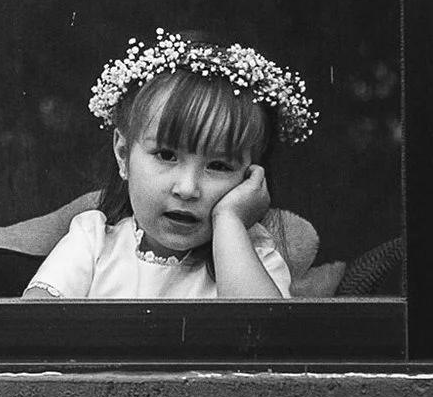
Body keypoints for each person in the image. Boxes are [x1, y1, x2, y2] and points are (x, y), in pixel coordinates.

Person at [24, 28, 315, 300]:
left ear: (250, 177)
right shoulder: (94, 243)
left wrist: (229, 221)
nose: (188, 189)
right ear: (123, 155)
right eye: (166, 155)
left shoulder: (252, 257)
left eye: (219, 166)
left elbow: (263, 343)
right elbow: (30, 332)